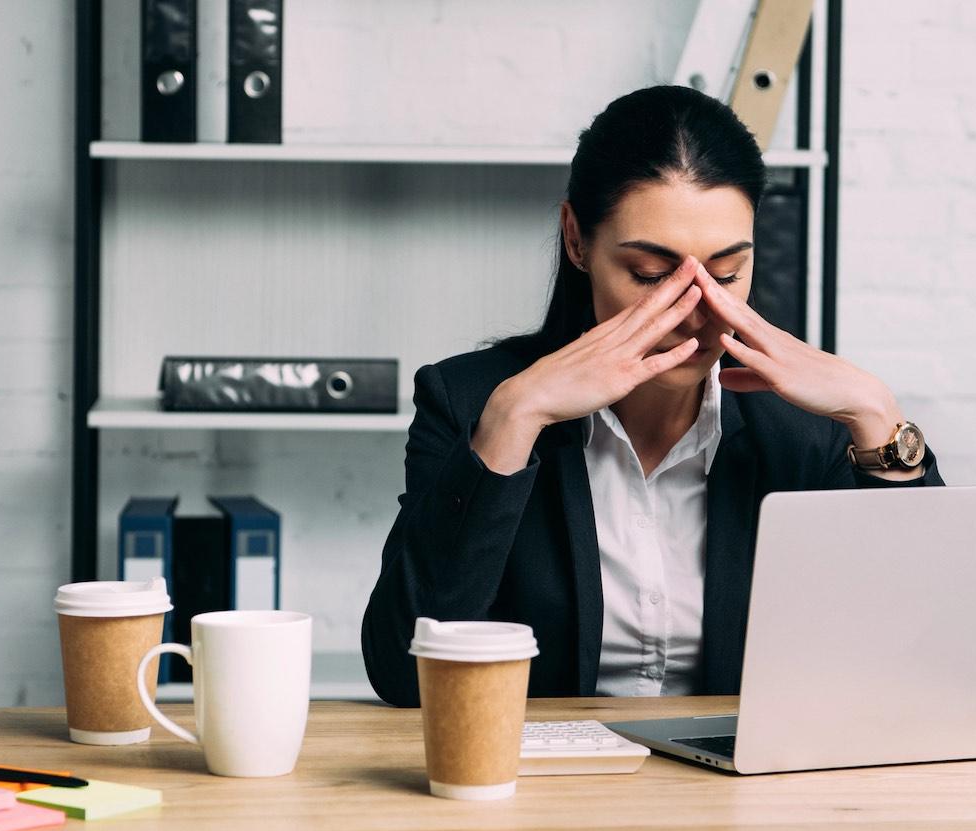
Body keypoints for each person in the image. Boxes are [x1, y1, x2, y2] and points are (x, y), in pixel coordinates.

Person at [361, 85, 945, 709]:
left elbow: (926, 660)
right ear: (577, 240)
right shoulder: (471, 400)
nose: (692, 311)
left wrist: (877, 414)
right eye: (648, 274)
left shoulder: (810, 428)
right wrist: (515, 417)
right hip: (537, 793)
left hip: (741, 793)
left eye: (725, 276)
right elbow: (404, 674)